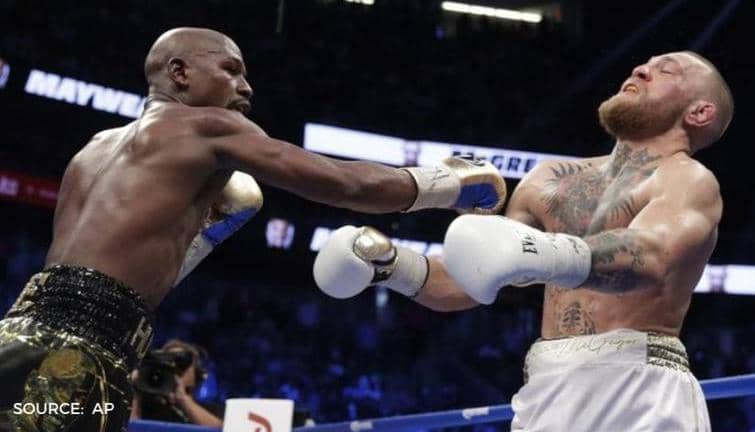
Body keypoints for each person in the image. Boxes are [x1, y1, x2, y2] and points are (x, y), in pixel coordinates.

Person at [0, 27, 506, 432]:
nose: (246, 87)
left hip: (17, 330)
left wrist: (202, 237)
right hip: (79, 356)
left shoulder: (94, 147)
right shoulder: (207, 126)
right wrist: (447, 184)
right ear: (180, 72)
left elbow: (98, 272)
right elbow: (342, 183)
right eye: (231, 70)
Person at [314, 51, 733, 431]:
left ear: (699, 112)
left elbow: (651, 256)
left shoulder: (688, 180)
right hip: (546, 389)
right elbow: (471, 280)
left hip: (638, 388)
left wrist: (541, 251)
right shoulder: (549, 180)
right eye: (644, 63)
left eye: (665, 71)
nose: (641, 69)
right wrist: (390, 264)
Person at [130, 340, 222, 427]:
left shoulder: (212, 410)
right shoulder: (146, 407)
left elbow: (222, 429)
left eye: (182, 364)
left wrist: (182, 398)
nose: (174, 369)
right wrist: (135, 391)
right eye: (169, 364)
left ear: (197, 373)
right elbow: (129, 427)